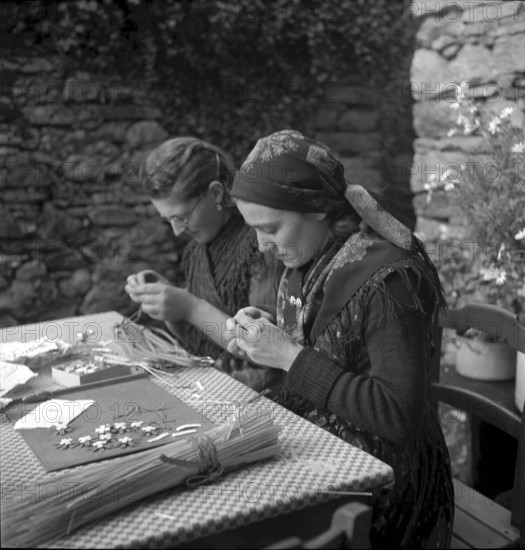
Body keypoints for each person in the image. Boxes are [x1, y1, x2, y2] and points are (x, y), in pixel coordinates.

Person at [227, 129, 454, 548]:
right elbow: (322, 351)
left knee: (248, 525)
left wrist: (291, 357)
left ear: (315, 209)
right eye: (253, 229)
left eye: (270, 228)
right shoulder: (310, 257)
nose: (261, 245)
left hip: (388, 478)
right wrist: (267, 341)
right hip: (327, 441)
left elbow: (397, 416)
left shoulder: (389, 282)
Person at [124, 137, 283, 391]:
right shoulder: (195, 251)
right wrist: (166, 304)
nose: (176, 231)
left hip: (261, 395)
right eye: (168, 220)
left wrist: (189, 307)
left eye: (181, 217)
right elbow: (197, 340)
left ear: (216, 193)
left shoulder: (260, 245)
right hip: (208, 384)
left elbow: (267, 348)